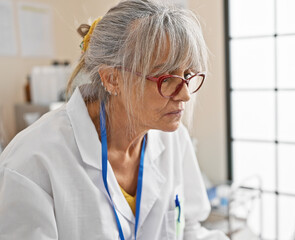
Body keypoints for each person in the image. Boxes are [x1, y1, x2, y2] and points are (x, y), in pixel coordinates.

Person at [0, 1, 229, 239]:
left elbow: (190, 229)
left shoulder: (173, 138)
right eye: (166, 78)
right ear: (111, 79)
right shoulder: (31, 163)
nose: (185, 94)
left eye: (188, 74)